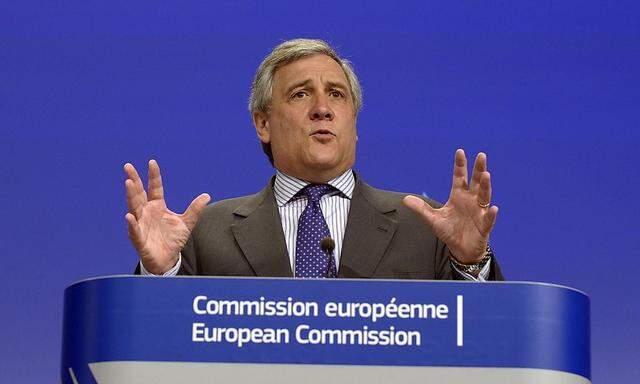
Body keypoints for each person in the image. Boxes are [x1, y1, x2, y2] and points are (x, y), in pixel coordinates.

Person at [124, 39, 503, 281]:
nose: (323, 109)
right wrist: (159, 276)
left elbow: (488, 343)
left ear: (355, 124)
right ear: (263, 123)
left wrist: (470, 263)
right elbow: (158, 345)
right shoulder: (204, 233)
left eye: (337, 95)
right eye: (301, 95)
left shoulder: (425, 227)